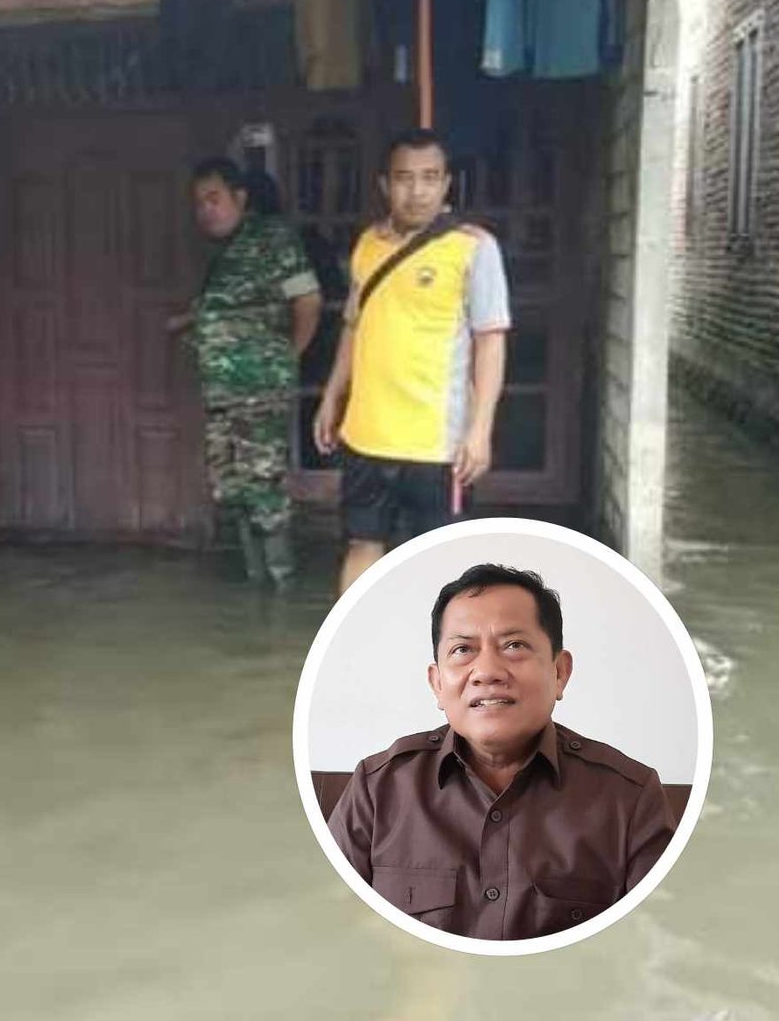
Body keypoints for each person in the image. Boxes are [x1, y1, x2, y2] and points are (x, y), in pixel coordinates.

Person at [327, 564, 678, 941]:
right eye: (463, 650)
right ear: (437, 683)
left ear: (560, 672)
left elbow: (654, 946)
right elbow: (330, 934)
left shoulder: (629, 798)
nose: (487, 671)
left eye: (514, 646)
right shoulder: (377, 790)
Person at [313, 128, 512, 596]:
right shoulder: (367, 245)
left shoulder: (474, 247)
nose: (416, 191)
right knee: (362, 543)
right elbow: (353, 327)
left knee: (439, 559)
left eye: (429, 178)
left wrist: (480, 429)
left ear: (446, 184)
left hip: (437, 442)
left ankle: (434, 660)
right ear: (385, 185)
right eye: (404, 178)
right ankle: (352, 650)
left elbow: (491, 341)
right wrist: (331, 397)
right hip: (367, 433)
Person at [176, 157, 323, 584]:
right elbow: (228, 310)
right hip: (222, 394)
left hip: (258, 392)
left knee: (263, 487)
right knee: (231, 487)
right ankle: (256, 583)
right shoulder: (228, 252)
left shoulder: (271, 238)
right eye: (199, 202)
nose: (206, 210)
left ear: (240, 197)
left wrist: (287, 359)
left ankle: (280, 583)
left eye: (214, 199)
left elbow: (308, 301)